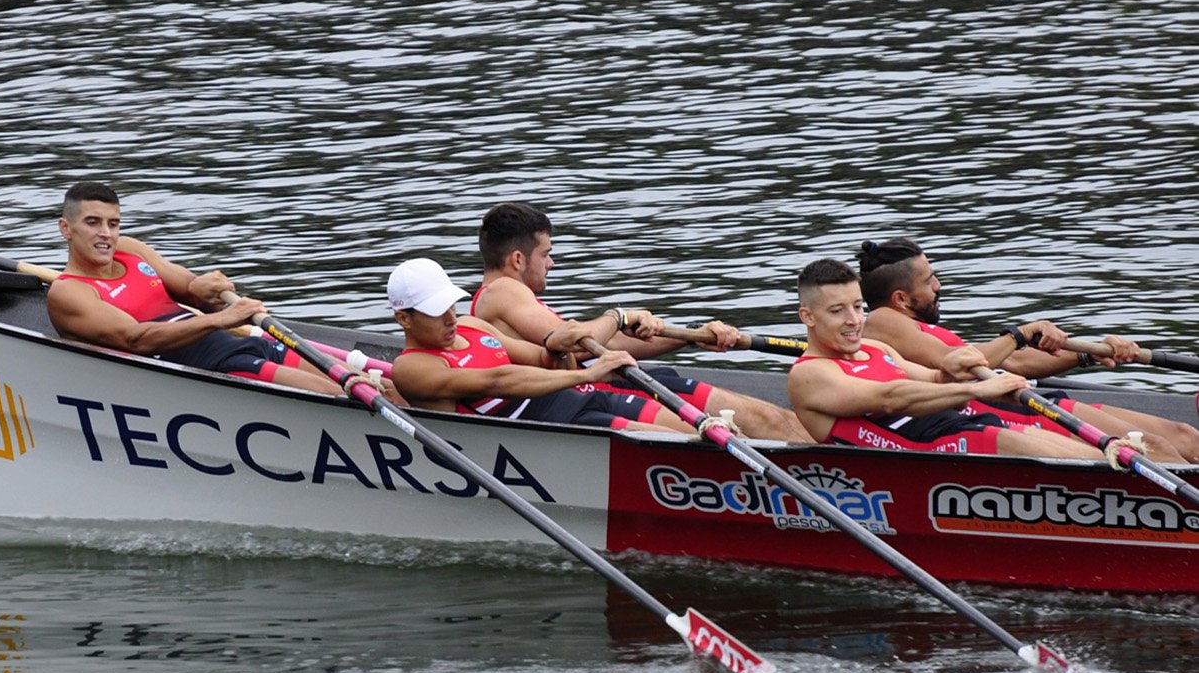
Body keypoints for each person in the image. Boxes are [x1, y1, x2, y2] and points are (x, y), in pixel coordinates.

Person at [468, 201, 810, 441]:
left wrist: (692, 337)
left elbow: (604, 346)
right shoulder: (501, 292)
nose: (552, 264)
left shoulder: (518, 298)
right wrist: (620, 316)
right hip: (579, 399)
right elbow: (573, 341)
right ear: (516, 259)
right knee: (758, 424)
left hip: (600, 386)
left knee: (776, 420)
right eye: (546, 254)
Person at [856, 237, 1199, 462]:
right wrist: (1020, 332)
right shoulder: (883, 321)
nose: (938, 285)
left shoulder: (920, 326)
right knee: (1156, 449)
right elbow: (966, 366)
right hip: (1004, 409)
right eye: (929, 280)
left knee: (1184, 436)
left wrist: (1087, 353)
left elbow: (1014, 360)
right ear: (901, 298)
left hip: (1026, 397)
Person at [46, 181, 348, 395]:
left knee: (370, 385)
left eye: (113, 224)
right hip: (211, 365)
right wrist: (221, 318)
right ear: (65, 228)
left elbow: (190, 290)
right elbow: (137, 339)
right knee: (335, 393)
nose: (106, 234)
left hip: (236, 341)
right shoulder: (70, 292)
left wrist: (206, 287)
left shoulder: (130, 250)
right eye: (93, 223)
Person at [787, 258, 1099, 458]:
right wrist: (974, 390)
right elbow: (889, 398)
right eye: (836, 310)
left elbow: (934, 380)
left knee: (1099, 459)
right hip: (924, 451)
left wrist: (952, 371)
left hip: (959, 428)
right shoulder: (809, 374)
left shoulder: (875, 349)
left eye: (857, 306)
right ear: (808, 317)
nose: (854, 320)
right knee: (1084, 464)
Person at [387, 258, 693, 436]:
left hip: (582, 397)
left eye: (451, 305)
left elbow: (543, 360)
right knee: (682, 446)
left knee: (702, 435)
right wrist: (587, 375)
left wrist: (559, 344)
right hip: (554, 428)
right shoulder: (412, 367)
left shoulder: (473, 325)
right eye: (436, 311)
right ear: (404, 319)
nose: (450, 317)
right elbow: (499, 380)